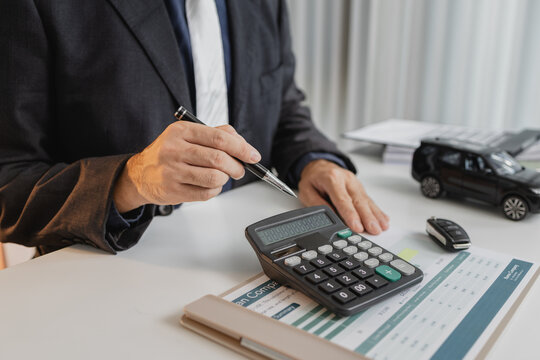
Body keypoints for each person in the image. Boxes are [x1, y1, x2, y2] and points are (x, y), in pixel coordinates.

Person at [0, 0, 388, 256]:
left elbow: (282, 104)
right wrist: (128, 181)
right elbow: (8, 181)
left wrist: (313, 161)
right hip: (111, 274)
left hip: (253, 256)